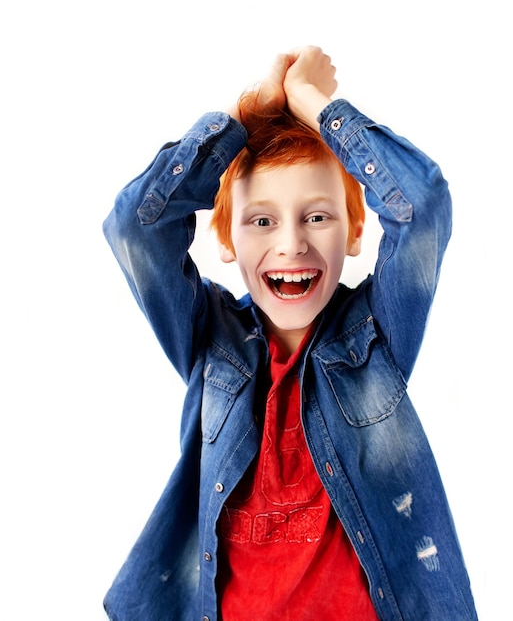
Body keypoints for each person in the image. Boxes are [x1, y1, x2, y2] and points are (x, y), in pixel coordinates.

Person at [103, 46, 477, 620]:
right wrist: (242, 116)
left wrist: (316, 105)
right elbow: (135, 228)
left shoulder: (377, 334)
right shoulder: (212, 340)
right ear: (225, 240)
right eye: (261, 221)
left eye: (317, 216)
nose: (291, 244)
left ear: (356, 230)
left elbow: (422, 205)